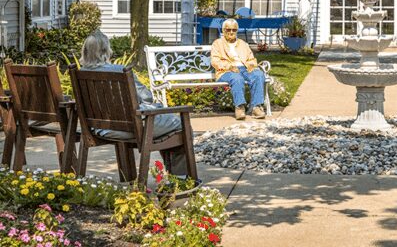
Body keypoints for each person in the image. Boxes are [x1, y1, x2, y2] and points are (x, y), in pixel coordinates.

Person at [80, 30, 189, 175]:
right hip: (131, 128)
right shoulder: (120, 71)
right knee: (181, 125)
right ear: (106, 51)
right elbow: (147, 97)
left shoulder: (80, 74)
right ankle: (181, 178)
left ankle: (174, 176)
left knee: (167, 127)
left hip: (101, 129)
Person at [211, 18, 266, 120]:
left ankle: (256, 107)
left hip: (244, 68)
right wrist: (229, 66)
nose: (231, 32)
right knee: (237, 78)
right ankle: (240, 107)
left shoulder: (243, 44)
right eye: (228, 30)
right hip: (226, 71)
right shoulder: (217, 43)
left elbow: (251, 59)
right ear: (223, 31)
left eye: (234, 30)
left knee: (259, 75)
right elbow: (215, 61)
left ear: (237, 31)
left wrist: (250, 65)